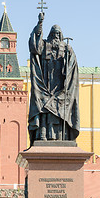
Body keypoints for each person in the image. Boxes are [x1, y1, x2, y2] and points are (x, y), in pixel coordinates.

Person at [28, 12, 80, 146]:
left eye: (58, 34)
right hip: (45, 82)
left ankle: (63, 136)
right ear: (50, 34)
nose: (56, 36)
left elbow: (73, 65)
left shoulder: (67, 48)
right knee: (44, 107)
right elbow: (35, 47)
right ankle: (43, 134)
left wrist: (69, 59)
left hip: (61, 83)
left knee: (60, 108)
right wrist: (40, 24)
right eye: (54, 33)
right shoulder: (45, 45)